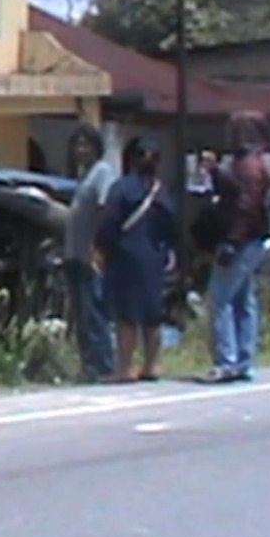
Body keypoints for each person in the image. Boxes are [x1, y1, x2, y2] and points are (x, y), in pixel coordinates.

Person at [95, 136, 176, 383]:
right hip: (154, 257)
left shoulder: (121, 188)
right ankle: (152, 365)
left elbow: (109, 223)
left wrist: (101, 249)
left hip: (125, 256)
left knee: (126, 315)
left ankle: (126, 368)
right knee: (153, 314)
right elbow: (172, 225)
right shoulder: (162, 192)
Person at [200, 112, 270, 384]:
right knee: (244, 299)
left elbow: (245, 207)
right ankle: (245, 360)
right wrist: (216, 172)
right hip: (254, 239)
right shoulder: (250, 164)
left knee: (219, 299)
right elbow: (233, 196)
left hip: (242, 241)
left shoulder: (248, 167)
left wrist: (232, 241)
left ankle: (227, 361)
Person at [63, 125, 116, 383]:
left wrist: (97, 248)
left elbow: (104, 209)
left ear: (97, 148)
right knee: (81, 313)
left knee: (94, 311)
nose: (81, 150)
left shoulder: (102, 173)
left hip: (89, 255)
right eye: (77, 145)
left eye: (87, 145)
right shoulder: (83, 176)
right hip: (74, 254)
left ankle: (104, 364)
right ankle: (89, 364)